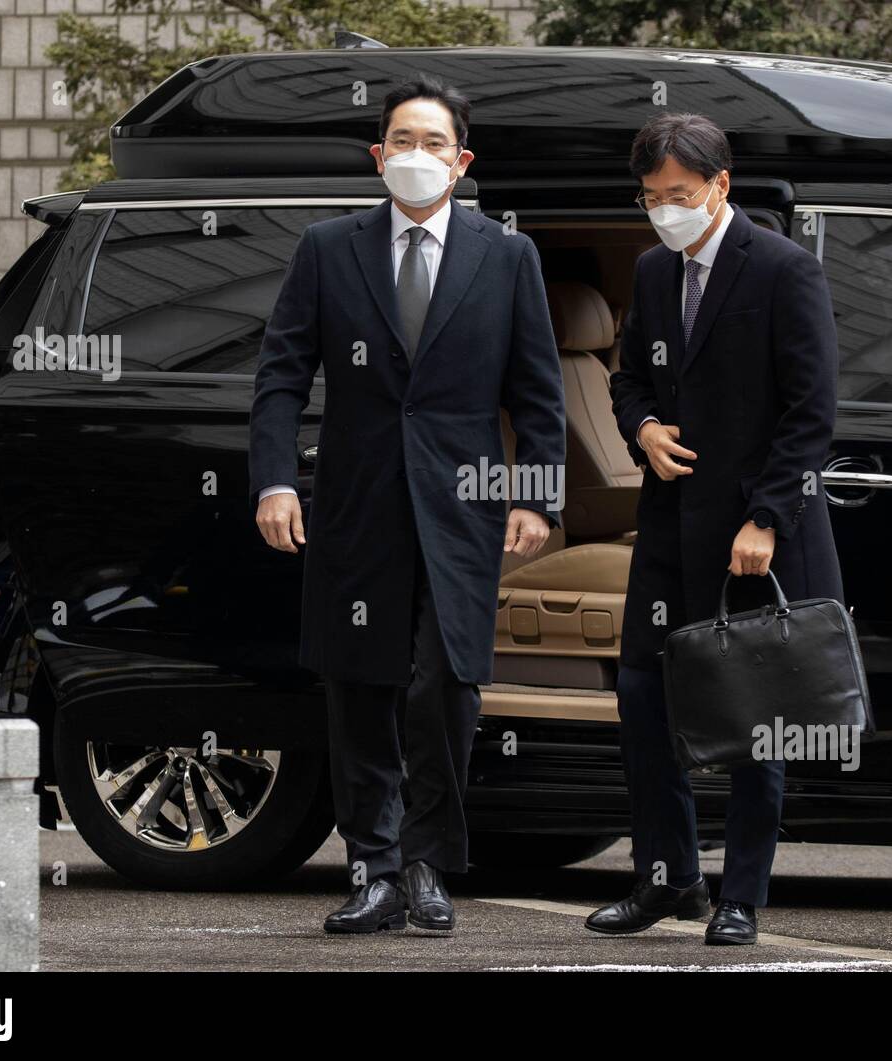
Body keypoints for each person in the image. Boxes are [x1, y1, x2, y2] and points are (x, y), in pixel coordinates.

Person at [249, 76, 566, 935]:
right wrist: (276, 481)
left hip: (464, 510)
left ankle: (428, 863)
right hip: (355, 506)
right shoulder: (328, 247)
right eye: (401, 140)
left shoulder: (507, 256)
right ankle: (374, 868)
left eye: (433, 143)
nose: (415, 156)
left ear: (461, 162)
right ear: (377, 155)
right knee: (358, 687)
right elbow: (281, 375)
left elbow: (538, 390)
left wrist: (537, 493)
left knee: (444, 686)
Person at [591, 112, 843, 945]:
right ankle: (669, 879)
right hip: (669, 531)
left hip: (753, 531)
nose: (666, 209)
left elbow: (811, 413)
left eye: (681, 194)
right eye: (653, 196)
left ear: (720, 186)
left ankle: (741, 895)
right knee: (643, 704)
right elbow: (628, 380)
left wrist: (768, 514)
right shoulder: (655, 272)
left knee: (751, 717)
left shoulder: (783, 270)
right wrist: (644, 430)